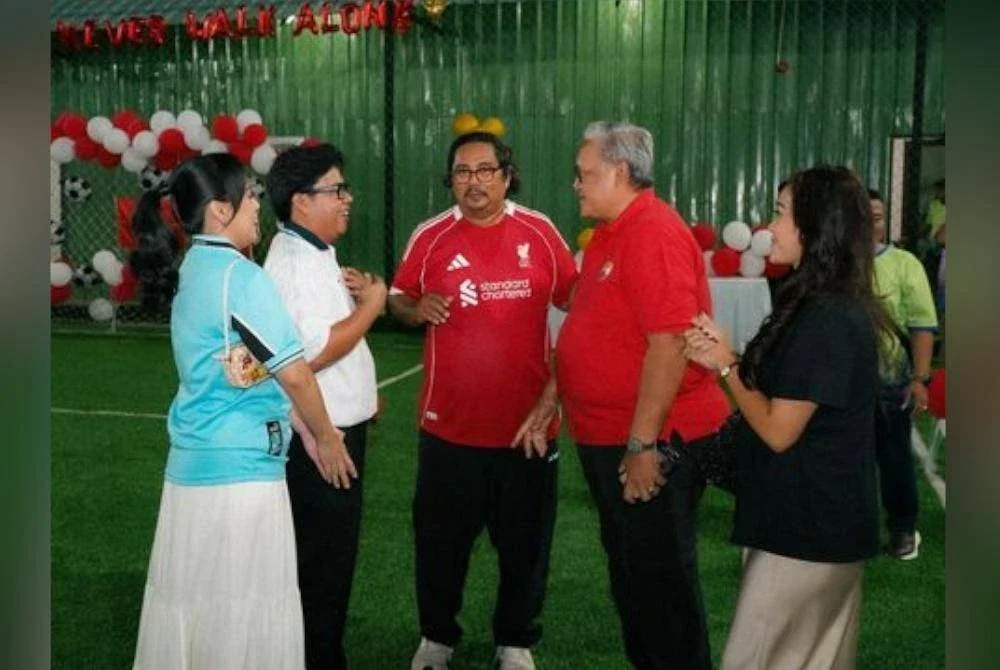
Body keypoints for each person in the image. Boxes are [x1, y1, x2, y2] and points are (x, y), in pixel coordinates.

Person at [129, 153, 357, 670]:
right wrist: (326, 435)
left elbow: (243, 368)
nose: (258, 206)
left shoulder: (194, 267)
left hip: (194, 470)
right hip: (240, 477)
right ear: (219, 210)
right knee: (244, 610)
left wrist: (298, 422)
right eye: (250, 195)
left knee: (198, 608)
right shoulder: (242, 277)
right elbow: (295, 373)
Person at [541, 121, 730, 669]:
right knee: (636, 578)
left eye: (584, 174)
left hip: (651, 441)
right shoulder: (612, 231)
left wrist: (643, 444)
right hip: (613, 437)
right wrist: (557, 391)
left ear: (620, 172)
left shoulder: (652, 232)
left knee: (659, 584)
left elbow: (670, 343)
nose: (576, 184)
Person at [388, 130, 577, 670]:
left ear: (506, 176)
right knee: (439, 546)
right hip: (448, 428)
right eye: (462, 172)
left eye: (485, 170)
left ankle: (514, 640)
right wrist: (415, 309)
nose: (474, 181)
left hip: (527, 429)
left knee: (526, 545)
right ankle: (437, 638)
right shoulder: (430, 236)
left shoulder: (539, 231)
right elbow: (399, 298)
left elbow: (578, 300)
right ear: (450, 179)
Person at [683, 165, 885, 669]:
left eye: (780, 214)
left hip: (807, 533)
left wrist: (726, 366)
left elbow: (778, 430)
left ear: (814, 227)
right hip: (814, 525)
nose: (769, 227)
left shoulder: (828, 317)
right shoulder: (820, 303)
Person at [263, 143, 387, 668]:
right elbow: (312, 354)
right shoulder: (294, 264)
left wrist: (362, 390)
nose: (347, 199)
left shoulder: (314, 251)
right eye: (336, 190)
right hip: (320, 439)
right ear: (301, 200)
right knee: (323, 568)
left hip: (332, 428)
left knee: (328, 564)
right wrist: (373, 307)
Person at [869, 188, 938, 559]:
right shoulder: (833, 264)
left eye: (878, 217)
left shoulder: (904, 264)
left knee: (894, 457)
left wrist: (920, 379)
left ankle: (902, 529)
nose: (871, 223)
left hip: (891, 382)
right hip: (841, 384)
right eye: (862, 216)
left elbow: (922, 325)